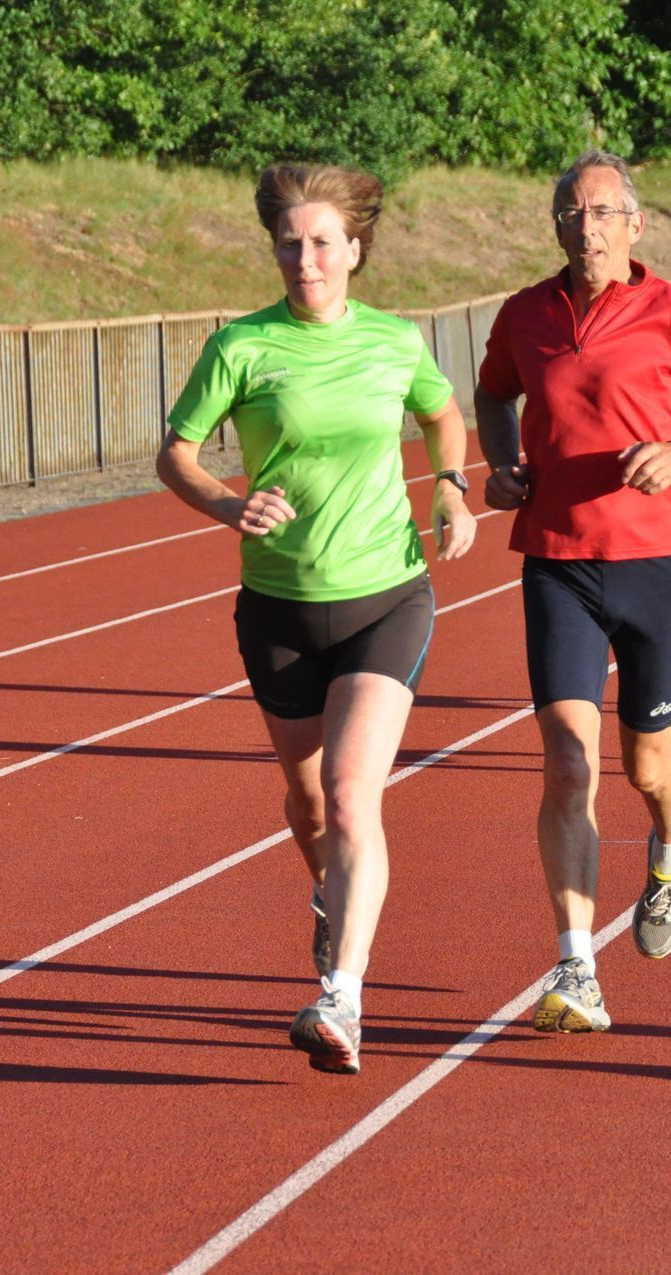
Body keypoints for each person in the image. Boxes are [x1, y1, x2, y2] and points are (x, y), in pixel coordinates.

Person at [157, 162, 477, 1076]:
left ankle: (343, 995)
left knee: (347, 791)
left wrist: (452, 487)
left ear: (356, 249)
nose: (306, 259)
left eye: (323, 242)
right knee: (304, 804)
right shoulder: (241, 347)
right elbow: (175, 454)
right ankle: (331, 900)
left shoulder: (393, 340)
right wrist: (228, 505)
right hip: (278, 607)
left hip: (386, 592)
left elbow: (443, 414)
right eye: (290, 244)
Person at [474, 150, 671, 1034]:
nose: (587, 227)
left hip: (658, 567)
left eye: (604, 213)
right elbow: (494, 394)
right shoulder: (525, 316)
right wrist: (503, 463)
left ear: (635, 226)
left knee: (646, 767)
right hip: (558, 564)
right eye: (572, 213)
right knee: (568, 763)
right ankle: (577, 966)